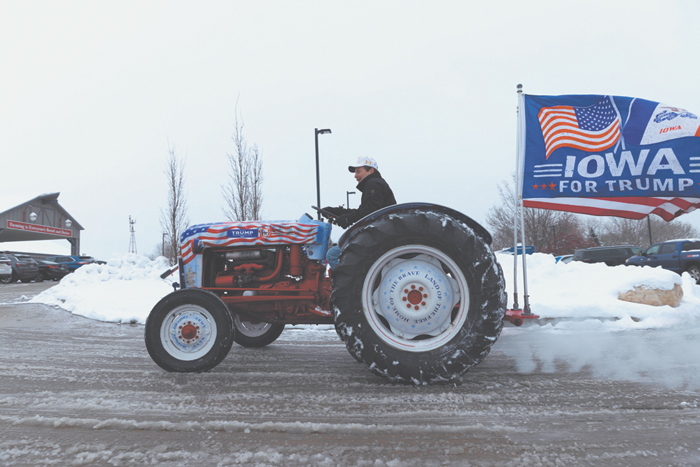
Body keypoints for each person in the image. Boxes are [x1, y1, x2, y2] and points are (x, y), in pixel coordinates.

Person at [322, 157, 396, 269]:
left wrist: (347, 219)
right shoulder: (375, 184)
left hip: (377, 234)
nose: (355, 176)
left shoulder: (374, 184)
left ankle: (345, 284)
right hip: (377, 232)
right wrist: (338, 212)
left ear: (371, 171)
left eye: (358, 171)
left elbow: (370, 211)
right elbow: (364, 211)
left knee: (332, 255)